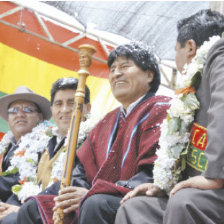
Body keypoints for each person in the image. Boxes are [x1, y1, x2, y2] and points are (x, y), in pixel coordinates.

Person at [17, 41, 170, 224]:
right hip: (95, 195)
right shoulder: (108, 120)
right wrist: (74, 194)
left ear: (149, 74)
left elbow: (152, 171)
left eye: (125, 66)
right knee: (34, 208)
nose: (116, 73)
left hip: (136, 198)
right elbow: (82, 168)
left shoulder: (161, 109)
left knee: (94, 203)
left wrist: (91, 193)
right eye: (112, 69)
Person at [115, 9, 224, 224]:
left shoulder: (219, 55)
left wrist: (215, 176)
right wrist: (164, 185)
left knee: (184, 202)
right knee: (135, 208)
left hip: (217, 181)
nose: (176, 59)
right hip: (199, 186)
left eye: (177, 51)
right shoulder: (193, 85)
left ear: (190, 47)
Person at [0, 78, 92, 224]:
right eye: (58, 104)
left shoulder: (91, 139)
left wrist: (23, 209)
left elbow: (73, 184)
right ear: (52, 110)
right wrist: (9, 207)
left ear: (87, 108)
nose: (65, 109)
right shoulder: (43, 142)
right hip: (31, 209)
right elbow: (24, 180)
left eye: (72, 103)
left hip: (63, 213)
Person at [0, 86, 51, 222]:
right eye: (14, 110)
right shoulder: (6, 145)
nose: (20, 114)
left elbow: (22, 179)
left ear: (39, 116)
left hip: (29, 203)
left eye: (27, 110)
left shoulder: (46, 141)